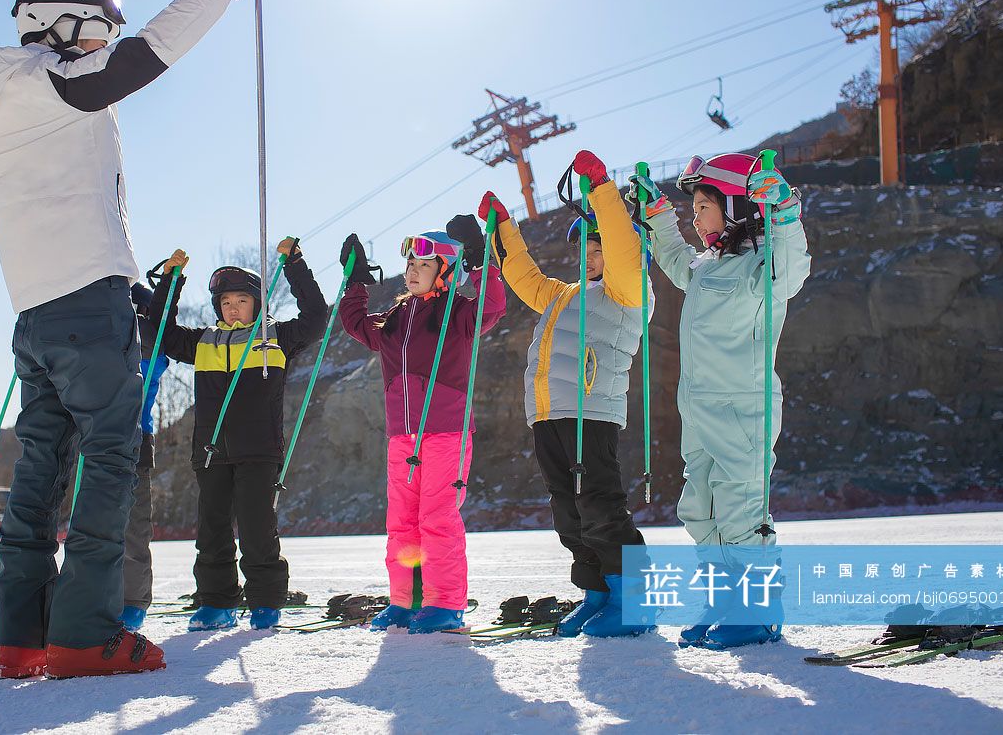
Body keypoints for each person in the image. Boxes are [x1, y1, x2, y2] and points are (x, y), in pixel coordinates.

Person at [0, 0, 277, 679]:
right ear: (59, 25)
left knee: (41, 465)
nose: (105, 39)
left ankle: (23, 635)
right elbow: (151, 51)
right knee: (111, 459)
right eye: (96, 25)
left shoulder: (5, 96)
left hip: (33, 314)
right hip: (87, 304)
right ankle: (85, 634)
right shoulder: (55, 81)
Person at [628, 152, 809, 649]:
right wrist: (657, 214)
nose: (696, 215)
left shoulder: (761, 265)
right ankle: (723, 598)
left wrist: (786, 212)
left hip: (742, 407)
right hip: (699, 408)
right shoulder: (708, 267)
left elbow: (791, 270)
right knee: (700, 510)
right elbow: (673, 257)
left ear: (735, 208)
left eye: (704, 205)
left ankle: (757, 611)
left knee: (740, 511)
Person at [480, 149, 653, 638]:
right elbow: (524, 277)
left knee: (601, 505)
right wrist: (502, 231)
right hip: (548, 414)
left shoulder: (628, 290)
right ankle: (597, 593)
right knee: (568, 511)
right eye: (585, 250)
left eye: (598, 249)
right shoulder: (562, 294)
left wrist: (600, 192)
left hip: (591, 411)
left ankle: (633, 600)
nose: (592, 258)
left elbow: (623, 249)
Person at [146, 239, 327, 632]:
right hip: (211, 452)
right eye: (226, 301)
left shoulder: (275, 336)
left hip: (258, 452)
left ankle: (265, 601)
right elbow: (160, 332)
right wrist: (170, 283)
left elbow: (316, 317)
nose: (232, 307)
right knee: (211, 531)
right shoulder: (203, 342)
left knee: (257, 529)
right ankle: (215, 602)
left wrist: (294, 265)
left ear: (256, 304)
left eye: (241, 300)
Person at [338, 217, 506, 634]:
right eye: (410, 263)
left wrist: (483, 260)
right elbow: (357, 323)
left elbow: (493, 306)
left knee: (438, 518)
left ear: (446, 272)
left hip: (446, 432)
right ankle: (405, 600)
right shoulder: (395, 318)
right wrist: (355, 281)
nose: (412, 271)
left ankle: (446, 604)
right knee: (402, 522)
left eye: (423, 265)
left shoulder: (459, 313)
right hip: (402, 436)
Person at [118, 283, 170, 633]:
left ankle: (132, 604)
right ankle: (108, 597)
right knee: (100, 527)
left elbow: (154, 361)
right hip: (97, 440)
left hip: (134, 440)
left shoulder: (150, 349)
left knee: (133, 528)